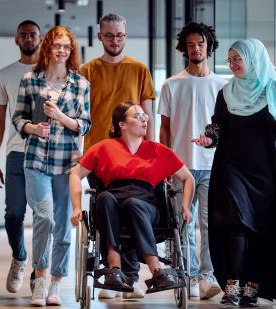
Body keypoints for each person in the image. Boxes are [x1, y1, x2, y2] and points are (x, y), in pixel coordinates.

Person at [192, 38, 276, 307]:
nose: (233, 64)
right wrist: (209, 139)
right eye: (230, 60)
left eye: (237, 58)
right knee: (234, 222)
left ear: (253, 58)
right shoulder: (226, 93)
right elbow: (216, 127)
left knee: (260, 229)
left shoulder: (275, 89)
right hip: (230, 167)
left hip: (265, 171)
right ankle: (232, 284)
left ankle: (252, 287)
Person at [69, 102, 194, 295]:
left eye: (145, 116)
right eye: (137, 116)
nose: (144, 119)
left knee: (133, 204)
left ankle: (157, 270)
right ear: (122, 125)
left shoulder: (158, 150)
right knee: (103, 198)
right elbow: (75, 174)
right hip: (113, 202)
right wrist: (77, 207)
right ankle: (115, 269)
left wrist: (185, 206)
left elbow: (188, 178)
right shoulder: (104, 147)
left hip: (147, 205)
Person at [12, 25, 91, 306]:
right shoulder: (30, 79)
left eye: (66, 47)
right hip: (35, 161)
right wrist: (33, 128)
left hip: (67, 164)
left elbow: (84, 124)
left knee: (64, 225)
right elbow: (18, 118)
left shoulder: (81, 84)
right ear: (48, 47)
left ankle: (57, 283)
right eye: (56, 45)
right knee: (44, 217)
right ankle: (40, 279)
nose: (61, 50)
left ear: (71, 51)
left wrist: (60, 116)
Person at [78, 12, 155, 299]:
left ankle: (130, 276)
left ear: (126, 36)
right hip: (99, 154)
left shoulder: (139, 69)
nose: (114, 40)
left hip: (134, 154)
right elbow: (79, 114)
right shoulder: (87, 71)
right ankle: (110, 273)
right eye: (109, 35)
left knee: (133, 206)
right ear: (100, 37)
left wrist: (152, 150)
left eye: (120, 35)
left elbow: (147, 113)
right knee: (106, 210)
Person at [158, 21, 227, 300]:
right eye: (190, 44)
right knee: (182, 225)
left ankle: (205, 276)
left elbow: (226, 128)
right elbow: (164, 128)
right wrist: (164, 164)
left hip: (212, 166)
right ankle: (188, 274)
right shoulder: (171, 84)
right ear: (184, 48)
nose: (195, 48)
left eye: (200, 43)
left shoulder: (223, 86)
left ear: (208, 45)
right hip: (180, 167)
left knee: (210, 225)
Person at [0, 20, 41, 294]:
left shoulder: (51, 73)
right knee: (14, 214)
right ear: (16, 40)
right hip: (16, 154)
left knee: (44, 216)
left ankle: (38, 273)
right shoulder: (4, 74)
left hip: (46, 155)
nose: (29, 39)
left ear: (40, 39)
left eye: (33, 35)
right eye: (24, 35)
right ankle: (20, 257)